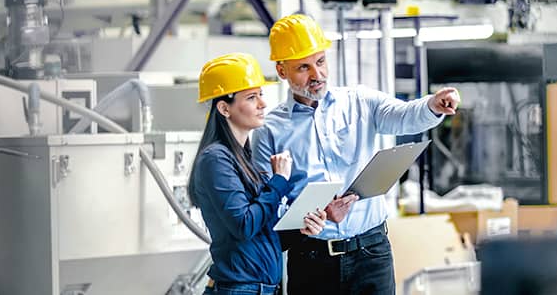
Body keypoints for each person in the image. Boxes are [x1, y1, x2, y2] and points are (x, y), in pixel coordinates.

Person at [252, 15, 460, 295]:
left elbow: (404, 116)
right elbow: (266, 204)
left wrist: (433, 105)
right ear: (281, 71)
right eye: (304, 67)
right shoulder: (269, 130)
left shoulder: (360, 102)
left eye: (321, 62)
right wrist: (311, 217)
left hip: (371, 254)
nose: (318, 75)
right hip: (312, 260)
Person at [188, 52, 328, 295]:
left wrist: (302, 228)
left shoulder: (244, 159)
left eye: (261, 95)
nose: (263, 104)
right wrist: (279, 180)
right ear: (224, 108)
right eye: (252, 97)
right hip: (240, 289)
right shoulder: (215, 159)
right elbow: (244, 225)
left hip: (261, 289)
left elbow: (262, 236)